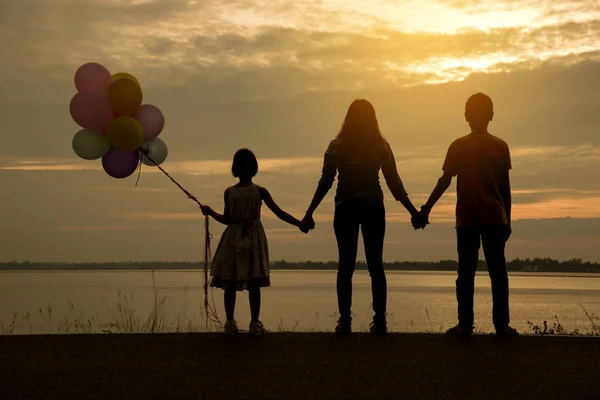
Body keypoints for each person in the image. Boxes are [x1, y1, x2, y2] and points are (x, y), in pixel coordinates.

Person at [303, 99, 426, 335]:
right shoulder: (380, 146)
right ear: (373, 120)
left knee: (346, 266)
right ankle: (379, 321)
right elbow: (394, 183)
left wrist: (309, 212)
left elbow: (325, 182)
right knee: (375, 265)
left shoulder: (337, 146)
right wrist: (415, 213)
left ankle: (345, 321)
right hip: (372, 206)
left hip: (345, 207)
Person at [417, 92, 518, 338]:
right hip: (495, 217)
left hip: (468, 218)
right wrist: (508, 220)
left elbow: (444, 181)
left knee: (466, 274)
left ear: (466, 116)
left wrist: (426, 209)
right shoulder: (499, 146)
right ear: (491, 116)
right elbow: (505, 188)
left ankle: (465, 325)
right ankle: (501, 326)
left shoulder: (458, 146)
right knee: (498, 273)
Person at [201, 148, 313, 335]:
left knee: (230, 280)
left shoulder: (229, 192)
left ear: (235, 168)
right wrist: (299, 224)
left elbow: (227, 219)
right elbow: (279, 213)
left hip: (233, 238)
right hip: (253, 238)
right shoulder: (259, 191)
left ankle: (230, 323)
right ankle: (254, 323)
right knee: (254, 281)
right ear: (254, 168)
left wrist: (210, 212)